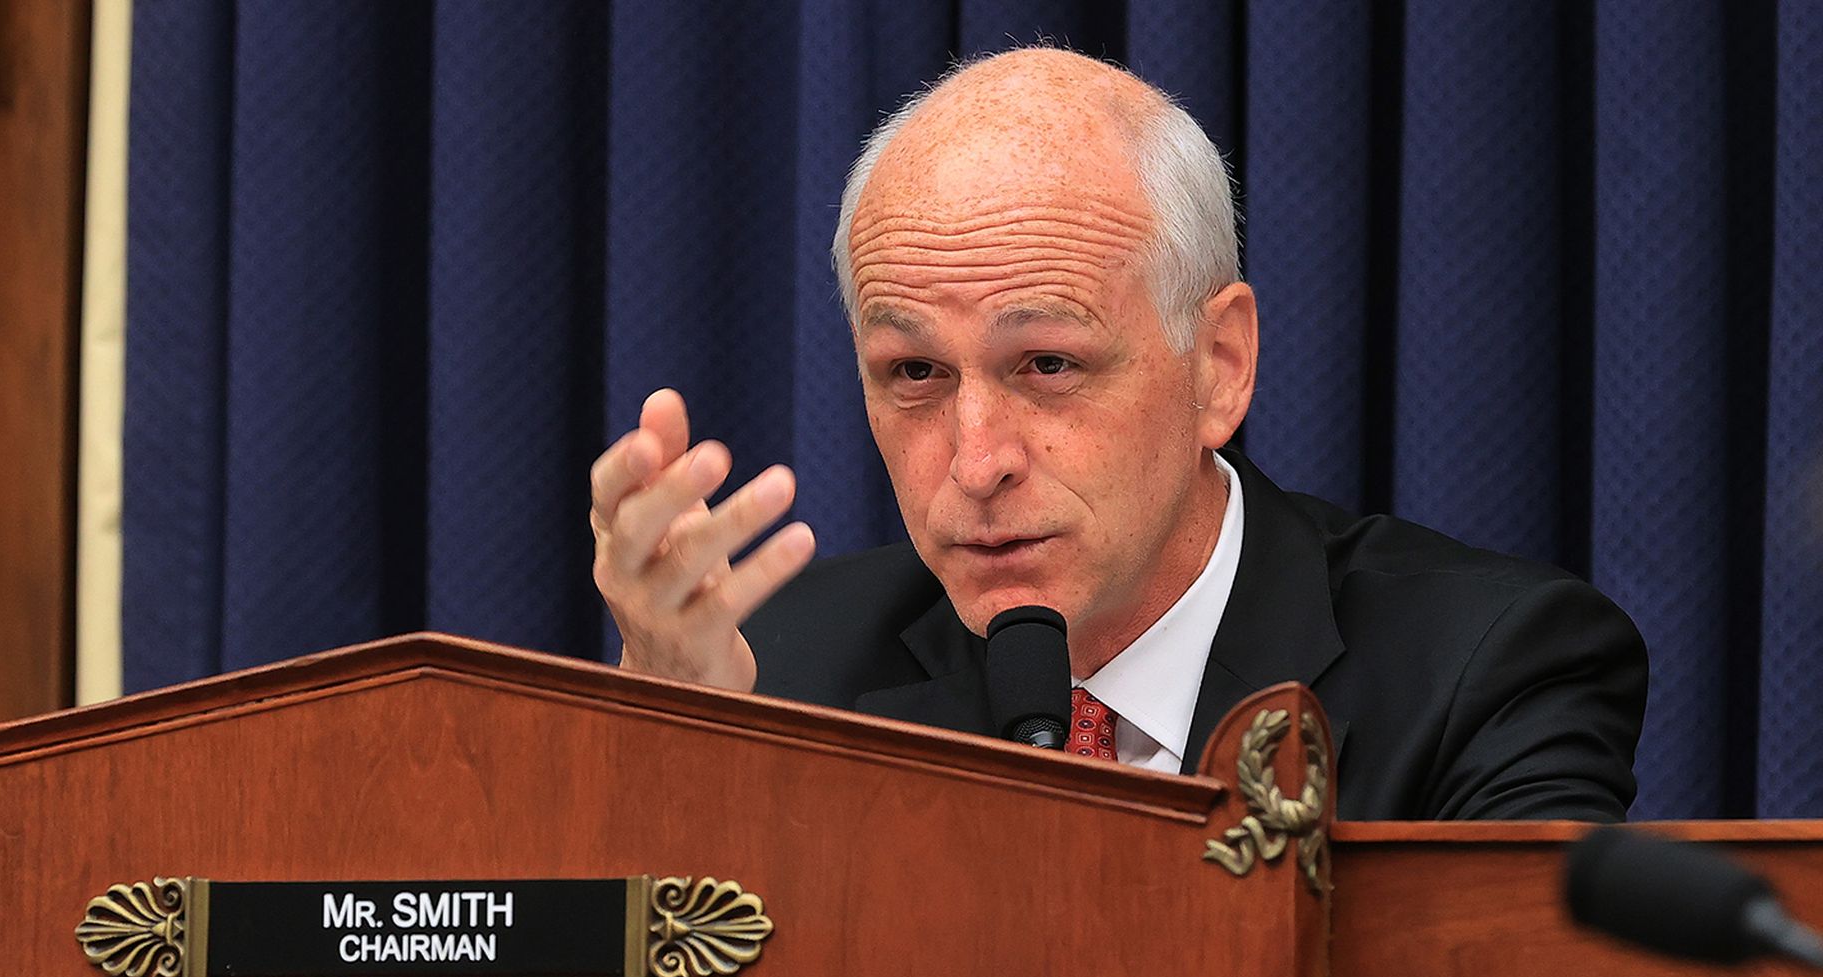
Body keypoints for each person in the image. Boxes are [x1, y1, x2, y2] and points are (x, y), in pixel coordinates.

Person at [588, 47, 1645, 820]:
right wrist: (683, 748)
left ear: (1220, 366)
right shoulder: (764, 672)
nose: (977, 460)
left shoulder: (1486, 673)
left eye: (1046, 365)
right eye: (915, 373)